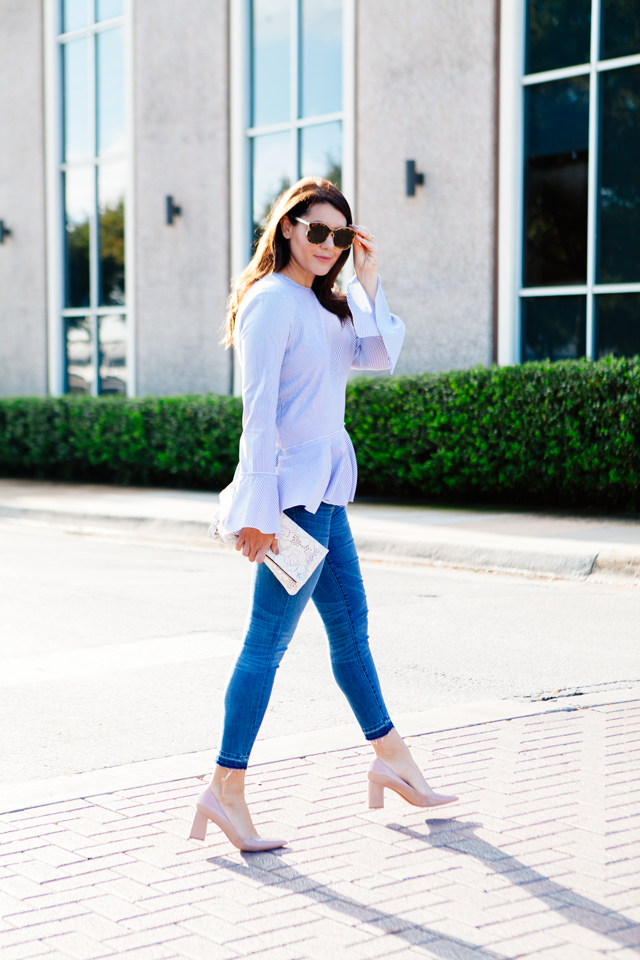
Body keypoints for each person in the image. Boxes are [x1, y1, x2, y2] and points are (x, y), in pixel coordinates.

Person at [189, 177, 457, 852]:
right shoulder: (270, 302)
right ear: (286, 228)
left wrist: (366, 278)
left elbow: (379, 353)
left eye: (340, 237)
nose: (327, 246)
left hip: (327, 497)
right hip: (293, 501)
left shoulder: (326, 306)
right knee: (266, 644)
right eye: (317, 232)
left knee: (351, 630)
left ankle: (392, 759)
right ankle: (225, 790)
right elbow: (256, 416)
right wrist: (257, 510)